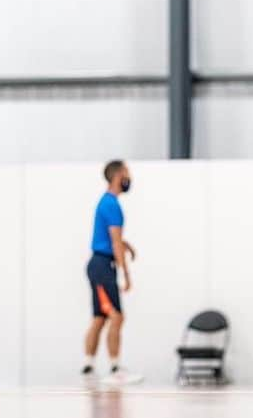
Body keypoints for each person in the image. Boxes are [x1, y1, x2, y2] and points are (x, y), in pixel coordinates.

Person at [83, 160, 143, 386]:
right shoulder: (112, 205)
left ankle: (88, 365)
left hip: (96, 264)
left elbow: (112, 238)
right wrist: (126, 275)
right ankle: (116, 367)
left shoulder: (105, 203)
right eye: (127, 173)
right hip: (103, 266)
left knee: (100, 317)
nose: (129, 178)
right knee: (117, 315)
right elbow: (115, 243)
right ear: (118, 176)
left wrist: (125, 244)